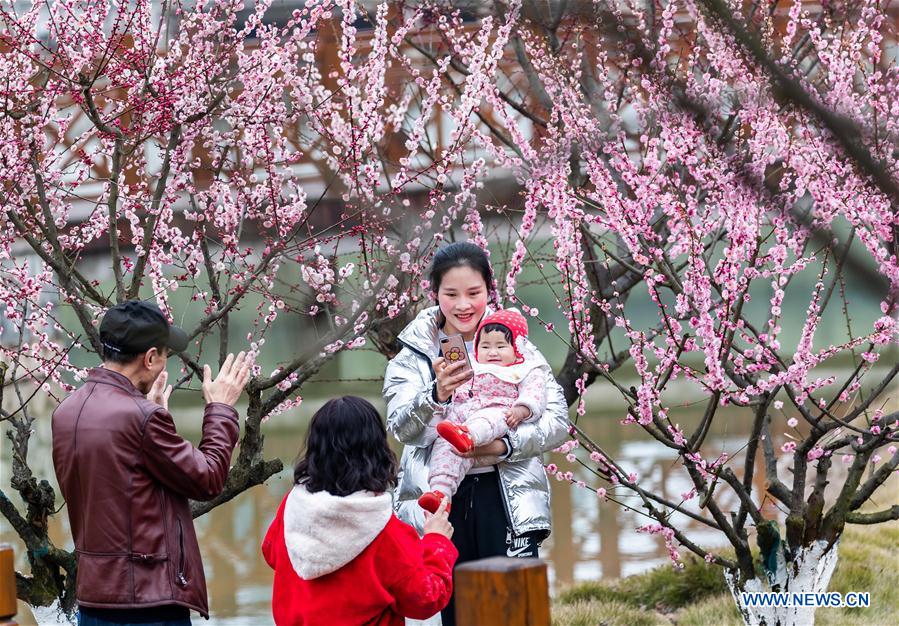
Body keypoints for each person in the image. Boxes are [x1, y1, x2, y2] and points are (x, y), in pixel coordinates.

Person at [383, 242, 570, 626]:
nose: (464, 305)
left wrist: (502, 446)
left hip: (507, 496)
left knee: (517, 610)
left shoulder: (517, 347)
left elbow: (557, 422)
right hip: (442, 499)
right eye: (451, 294)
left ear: (490, 291)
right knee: (459, 612)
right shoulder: (413, 356)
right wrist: (435, 395)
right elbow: (402, 429)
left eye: (474, 293)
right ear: (434, 294)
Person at [51, 300, 252, 625]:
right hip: (146, 603)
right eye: (164, 356)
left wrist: (153, 418)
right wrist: (221, 408)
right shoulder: (140, 417)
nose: (163, 367)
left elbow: (124, 487)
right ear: (149, 358)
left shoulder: (66, 411)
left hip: (93, 601)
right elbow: (209, 479)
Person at [261, 396, 457, 626]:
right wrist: (436, 541)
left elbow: (270, 552)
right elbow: (425, 599)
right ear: (377, 450)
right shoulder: (385, 531)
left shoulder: (293, 507)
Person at [418, 308, 550, 513]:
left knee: (487, 419)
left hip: (500, 409)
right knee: (444, 446)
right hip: (463, 414)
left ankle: (468, 435)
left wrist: (521, 410)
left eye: (501, 346)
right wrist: (444, 384)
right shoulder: (473, 366)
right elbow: (458, 393)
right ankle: (440, 494)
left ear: (517, 348)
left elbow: (535, 395)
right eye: (485, 345)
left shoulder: (527, 368)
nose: (492, 352)